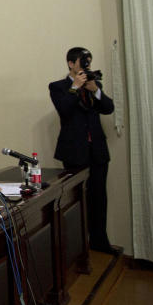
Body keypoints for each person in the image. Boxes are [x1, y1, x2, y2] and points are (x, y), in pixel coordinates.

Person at [50, 47, 115, 253]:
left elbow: (108, 108)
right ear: (71, 63)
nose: (85, 65)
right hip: (74, 153)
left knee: (99, 197)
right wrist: (75, 87)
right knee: (76, 200)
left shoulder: (93, 84)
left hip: (97, 151)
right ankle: (79, 247)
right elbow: (64, 110)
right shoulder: (58, 87)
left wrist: (94, 89)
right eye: (82, 61)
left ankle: (99, 242)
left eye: (88, 61)